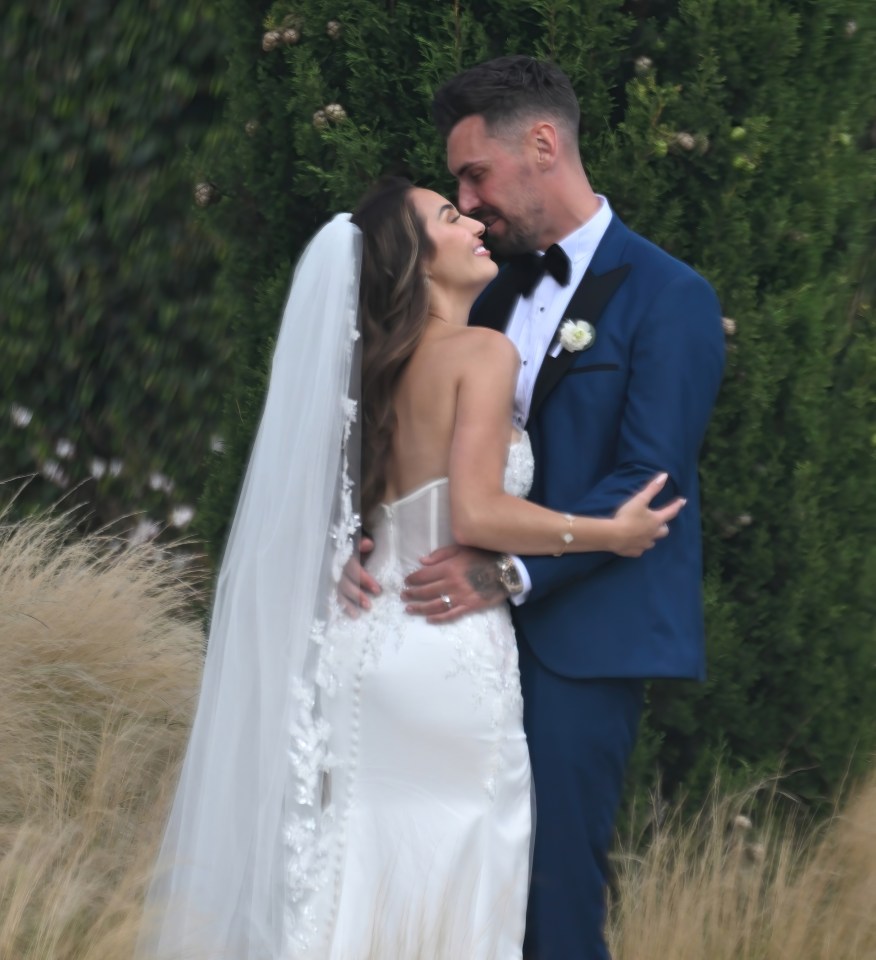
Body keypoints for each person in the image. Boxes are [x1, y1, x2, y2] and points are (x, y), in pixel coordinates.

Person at [137, 176, 683, 960]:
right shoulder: (481, 352)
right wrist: (606, 530)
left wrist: (343, 558)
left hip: (363, 646)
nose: (473, 225)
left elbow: (341, 515)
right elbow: (477, 516)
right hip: (446, 650)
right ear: (416, 261)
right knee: (457, 872)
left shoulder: (372, 370)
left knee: (351, 868)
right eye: (450, 218)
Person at [377, 57, 725, 959]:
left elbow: (650, 480)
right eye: (458, 185)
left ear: (542, 145)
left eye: (474, 175)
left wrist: (508, 571)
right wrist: (366, 543)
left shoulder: (671, 297)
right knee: (456, 885)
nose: (470, 198)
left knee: (555, 900)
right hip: (451, 650)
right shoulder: (477, 290)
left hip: (579, 644)